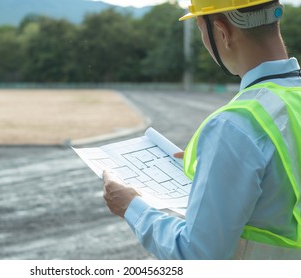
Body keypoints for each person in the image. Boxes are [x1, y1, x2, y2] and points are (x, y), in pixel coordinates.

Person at [103, 0, 301, 259]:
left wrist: (131, 207)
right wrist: (217, 164)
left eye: (200, 28)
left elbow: (197, 254)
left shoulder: (234, 126)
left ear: (221, 31)